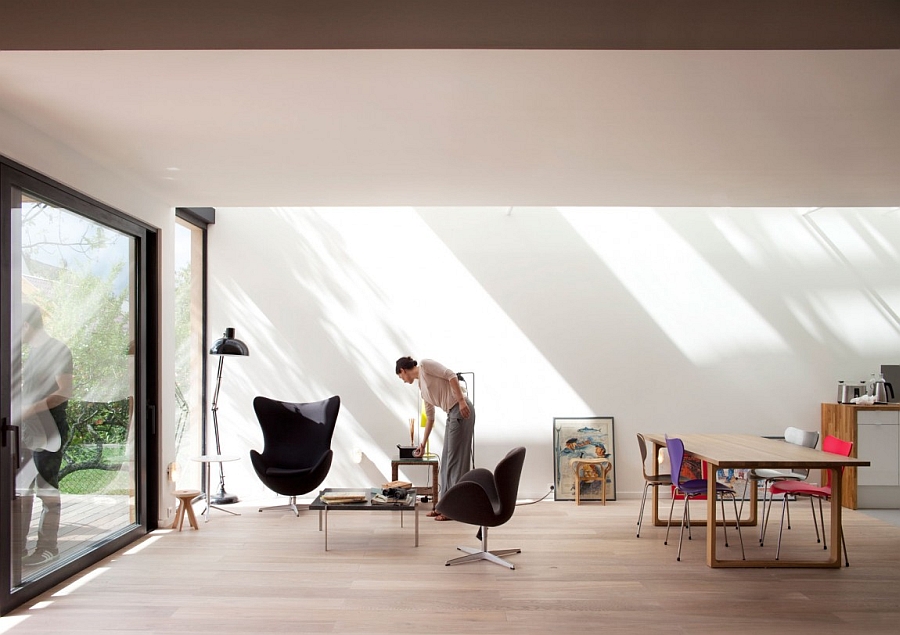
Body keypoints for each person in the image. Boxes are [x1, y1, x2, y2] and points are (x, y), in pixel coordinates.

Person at [16, 303, 73, 567]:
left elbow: (65, 391)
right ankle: (18, 547)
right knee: (22, 487)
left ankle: (48, 547)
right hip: (27, 429)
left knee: (46, 488)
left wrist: (30, 409)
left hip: (48, 429)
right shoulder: (28, 353)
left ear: (26, 325)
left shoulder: (57, 350)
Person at [395, 356, 475, 521]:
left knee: (454, 462)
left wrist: (461, 401)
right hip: (451, 414)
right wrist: (423, 444)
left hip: (461, 410)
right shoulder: (422, 389)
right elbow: (430, 417)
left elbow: (450, 375)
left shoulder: (425, 365)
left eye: (400, 376)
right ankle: (443, 506)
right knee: (445, 462)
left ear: (403, 370)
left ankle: (453, 509)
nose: (402, 380)